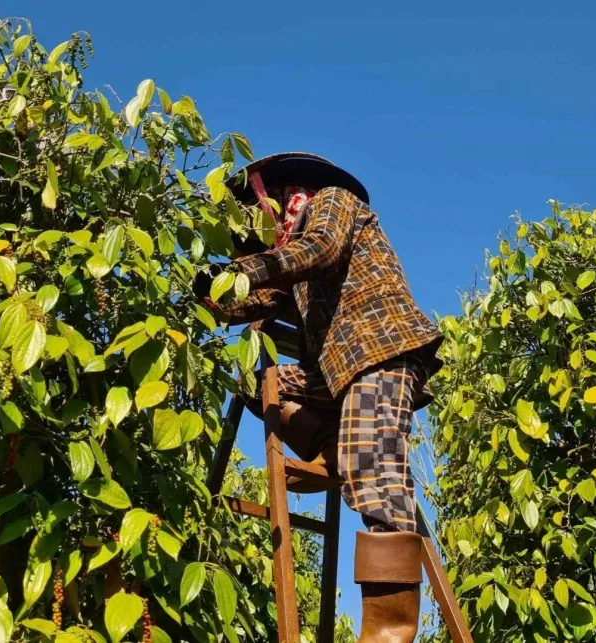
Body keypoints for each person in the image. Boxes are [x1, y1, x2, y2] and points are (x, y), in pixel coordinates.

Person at [192, 153, 441, 642]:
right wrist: (206, 292)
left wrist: (246, 269)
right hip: (335, 376)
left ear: (278, 193)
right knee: (262, 385)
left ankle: (389, 632)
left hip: (378, 351)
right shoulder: (292, 257)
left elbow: (320, 250)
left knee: (373, 464)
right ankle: (336, 450)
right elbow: (253, 301)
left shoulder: (330, 203)